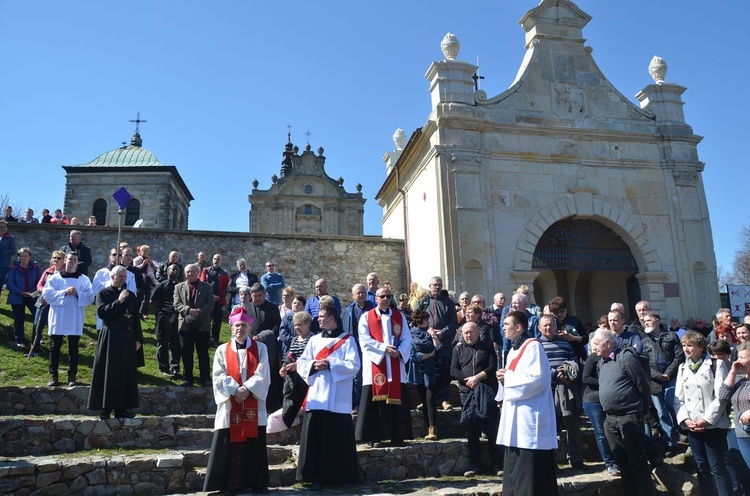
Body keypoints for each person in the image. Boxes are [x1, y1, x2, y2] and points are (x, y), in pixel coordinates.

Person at [203, 307, 270, 493]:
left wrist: (246, 389)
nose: (240, 328)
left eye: (244, 325)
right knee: (227, 443)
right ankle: (227, 484)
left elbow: (263, 373)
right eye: (237, 325)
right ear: (231, 328)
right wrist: (235, 390)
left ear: (250, 327)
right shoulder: (222, 350)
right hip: (230, 404)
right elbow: (218, 375)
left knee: (254, 442)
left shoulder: (261, 348)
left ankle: (255, 482)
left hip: (253, 402)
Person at [296, 305, 360, 489]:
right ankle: (315, 476)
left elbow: (354, 365)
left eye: (322, 317)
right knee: (317, 437)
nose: (319, 320)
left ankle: (341, 476)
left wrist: (330, 363)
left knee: (337, 437)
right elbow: (302, 363)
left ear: (332, 318)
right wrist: (315, 365)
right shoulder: (314, 340)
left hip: (338, 397)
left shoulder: (347, 340)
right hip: (317, 395)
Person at [495, 310, 558, 494]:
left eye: (507, 324)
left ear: (519, 327)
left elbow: (536, 379)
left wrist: (509, 378)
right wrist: (504, 379)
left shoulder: (533, 347)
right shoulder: (513, 350)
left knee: (530, 466)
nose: (503, 327)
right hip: (515, 414)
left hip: (530, 415)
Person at [675, 330, 734, 496]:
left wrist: (706, 420)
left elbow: (721, 397)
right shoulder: (682, 367)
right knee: (700, 466)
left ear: (701, 347)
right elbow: (679, 399)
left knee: (717, 466)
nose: (686, 349)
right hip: (692, 425)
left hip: (712, 424)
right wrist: (686, 420)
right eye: (684, 345)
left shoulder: (716, 364)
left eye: (690, 345)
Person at [597, 328, 654, 495]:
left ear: (607, 344)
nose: (593, 347)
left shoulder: (626, 357)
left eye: (596, 344)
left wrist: (644, 410)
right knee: (623, 463)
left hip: (629, 416)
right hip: (610, 419)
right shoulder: (603, 362)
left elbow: (643, 385)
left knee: (638, 462)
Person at [356, 286, 413, 447]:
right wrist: (383, 348)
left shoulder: (399, 317)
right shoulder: (366, 317)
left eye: (388, 296)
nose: (386, 299)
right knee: (375, 404)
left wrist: (400, 351)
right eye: (382, 296)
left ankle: (398, 435)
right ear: (375, 298)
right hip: (376, 365)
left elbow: (407, 337)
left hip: (395, 364)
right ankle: (375, 437)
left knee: (397, 402)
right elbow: (364, 339)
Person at [87, 266, 143, 419]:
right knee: (109, 372)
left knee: (125, 373)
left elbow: (135, 318)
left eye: (125, 277)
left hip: (127, 337)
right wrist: (119, 302)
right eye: (120, 276)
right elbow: (102, 312)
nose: (122, 279)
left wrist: (138, 339)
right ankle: (106, 407)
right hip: (110, 337)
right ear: (112, 277)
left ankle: (122, 408)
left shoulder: (131, 295)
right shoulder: (103, 293)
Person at [537, 314, 584, 469]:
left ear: (555, 327)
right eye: (545, 325)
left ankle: (575, 458)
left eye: (551, 325)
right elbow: (535, 366)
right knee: (551, 428)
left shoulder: (564, 343)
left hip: (566, 389)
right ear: (539, 328)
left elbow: (575, 360)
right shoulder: (536, 345)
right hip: (547, 391)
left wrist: (569, 371)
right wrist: (555, 373)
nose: (548, 328)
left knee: (573, 425)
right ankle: (552, 460)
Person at [43, 252, 95, 387]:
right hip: (58, 315)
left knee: (73, 348)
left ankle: (72, 375)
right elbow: (47, 294)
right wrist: (63, 292)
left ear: (78, 262)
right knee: (54, 347)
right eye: (70, 259)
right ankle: (53, 374)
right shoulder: (55, 278)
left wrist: (78, 293)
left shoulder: (83, 279)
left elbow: (90, 297)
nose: (72, 261)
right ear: (65, 260)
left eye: (75, 259)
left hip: (75, 316)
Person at [641, 311, 683, 456]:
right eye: (644, 321)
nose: (646, 322)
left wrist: (668, 374)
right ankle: (670, 443)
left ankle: (683, 432)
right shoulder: (644, 342)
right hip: (655, 382)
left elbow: (679, 356)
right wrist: (659, 376)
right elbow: (644, 364)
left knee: (673, 406)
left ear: (657, 320)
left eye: (648, 320)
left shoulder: (671, 336)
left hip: (671, 378)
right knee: (661, 412)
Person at [267, 311, 313, 434]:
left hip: (308, 380)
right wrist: (284, 367)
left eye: (300, 325)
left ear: (308, 324)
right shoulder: (295, 340)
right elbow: (290, 356)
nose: (297, 328)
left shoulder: (313, 340)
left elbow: (312, 360)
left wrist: (297, 366)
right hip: (295, 380)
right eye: (295, 325)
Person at [415, 276, 457, 411]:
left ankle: (445, 399)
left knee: (445, 370)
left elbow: (453, 323)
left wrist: (441, 333)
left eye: (439, 285)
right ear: (429, 286)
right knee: (427, 371)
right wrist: (429, 331)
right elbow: (415, 320)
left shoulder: (448, 303)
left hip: (444, 342)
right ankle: (426, 400)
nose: (437, 287)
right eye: (434, 285)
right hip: (426, 342)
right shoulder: (422, 302)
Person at [582, 330, 620, 476]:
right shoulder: (593, 358)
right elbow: (585, 378)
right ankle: (610, 463)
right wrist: (605, 383)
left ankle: (620, 459)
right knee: (601, 432)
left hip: (611, 400)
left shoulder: (616, 358)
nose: (596, 347)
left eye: (598, 344)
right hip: (593, 400)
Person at [174, 264, 214, 387]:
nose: (190, 274)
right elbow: (176, 304)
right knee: (186, 352)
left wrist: (199, 312)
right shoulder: (178, 287)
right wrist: (189, 310)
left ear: (198, 272)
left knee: (203, 353)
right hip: (185, 325)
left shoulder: (207, 287)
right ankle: (187, 378)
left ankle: (205, 378)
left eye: (192, 271)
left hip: (202, 325)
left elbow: (210, 303)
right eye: (187, 272)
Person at [407, 308, 440, 441]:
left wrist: (433, 335)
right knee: (424, 401)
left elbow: (438, 348)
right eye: (426, 319)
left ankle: (433, 428)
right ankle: (427, 427)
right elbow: (413, 355)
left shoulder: (429, 333)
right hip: (418, 371)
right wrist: (430, 355)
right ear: (420, 321)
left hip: (431, 370)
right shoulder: (410, 335)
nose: (428, 322)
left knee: (430, 399)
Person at [26, 250, 65, 357]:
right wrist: (45, 291)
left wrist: (52, 294)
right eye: (54, 257)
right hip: (43, 302)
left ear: (64, 260)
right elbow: (39, 285)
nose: (56, 260)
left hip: (56, 304)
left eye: (59, 258)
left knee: (54, 327)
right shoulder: (48, 271)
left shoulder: (66, 273)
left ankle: (53, 352)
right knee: (37, 325)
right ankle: (34, 349)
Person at [341, 283, 374, 410]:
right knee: (357, 377)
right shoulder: (348, 311)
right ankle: (358, 403)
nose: (360, 295)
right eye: (358, 293)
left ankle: (371, 403)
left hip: (371, 347)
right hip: (355, 348)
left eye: (363, 293)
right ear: (353, 295)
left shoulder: (373, 309)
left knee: (372, 375)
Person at [720, 342, 750, 472]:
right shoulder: (739, 378)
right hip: (742, 433)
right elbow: (722, 396)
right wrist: (732, 372)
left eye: (742, 358)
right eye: (737, 357)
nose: (738, 361)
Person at [150, 264, 182, 377]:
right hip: (164, 317)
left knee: (176, 344)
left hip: (177, 318)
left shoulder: (181, 286)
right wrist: (162, 309)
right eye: (172, 269)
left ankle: (175, 367)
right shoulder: (162, 285)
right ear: (167, 271)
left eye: (177, 269)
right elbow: (153, 300)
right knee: (163, 342)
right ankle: (164, 367)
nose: (175, 271)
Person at [7, 247, 42, 348]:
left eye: (26, 256)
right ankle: (20, 341)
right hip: (17, 296)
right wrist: (20, 292)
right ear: (19, 257)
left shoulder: (35, 267)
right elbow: (10, 282)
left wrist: (31, 292)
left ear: (30, 257)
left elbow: (40, 281)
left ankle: (36, 340)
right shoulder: (14, 267)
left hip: (32, 296)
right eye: (21, 256)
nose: (24, 258)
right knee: (18, 319)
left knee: (37, 318)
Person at [200, 253, 229, 347]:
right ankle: (205, 339)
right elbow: (202, 283)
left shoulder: (224, 273)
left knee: (217, 321)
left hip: (219, 301)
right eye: (215, 259)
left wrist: (220, 296)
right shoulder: (206, 271)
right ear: (212, 260)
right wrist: (210, 296)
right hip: (207, 300)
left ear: (221, 261)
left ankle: (215, 340)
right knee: (206, 320)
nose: (216, 261)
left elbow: (226, 287)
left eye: (218, 259)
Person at [0, 220, 17, 297]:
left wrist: (2, 252)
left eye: (4, 227)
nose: (2, 228)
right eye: (0, 227)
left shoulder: (10, 238)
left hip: (3, 264)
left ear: (7, 228)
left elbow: (13, 251)